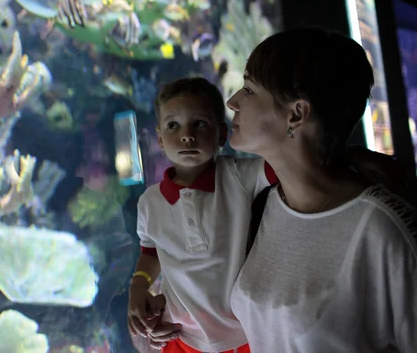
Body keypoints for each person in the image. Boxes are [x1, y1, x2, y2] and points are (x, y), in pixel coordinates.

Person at [223, 27, 416, 352]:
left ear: (296, 114)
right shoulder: (264, 205)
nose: (232, 101)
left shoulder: (383, 230)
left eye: (250, 89)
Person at [128, 77, 277, 353]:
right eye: (173, 125)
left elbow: (284, 164)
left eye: (199, 123)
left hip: (247, 333)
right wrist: (138, 286)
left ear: (222, 134)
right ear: (159, 138)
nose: (187, 135)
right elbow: (150, 252)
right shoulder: (149, 202)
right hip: (181, 336)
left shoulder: (238, 176)